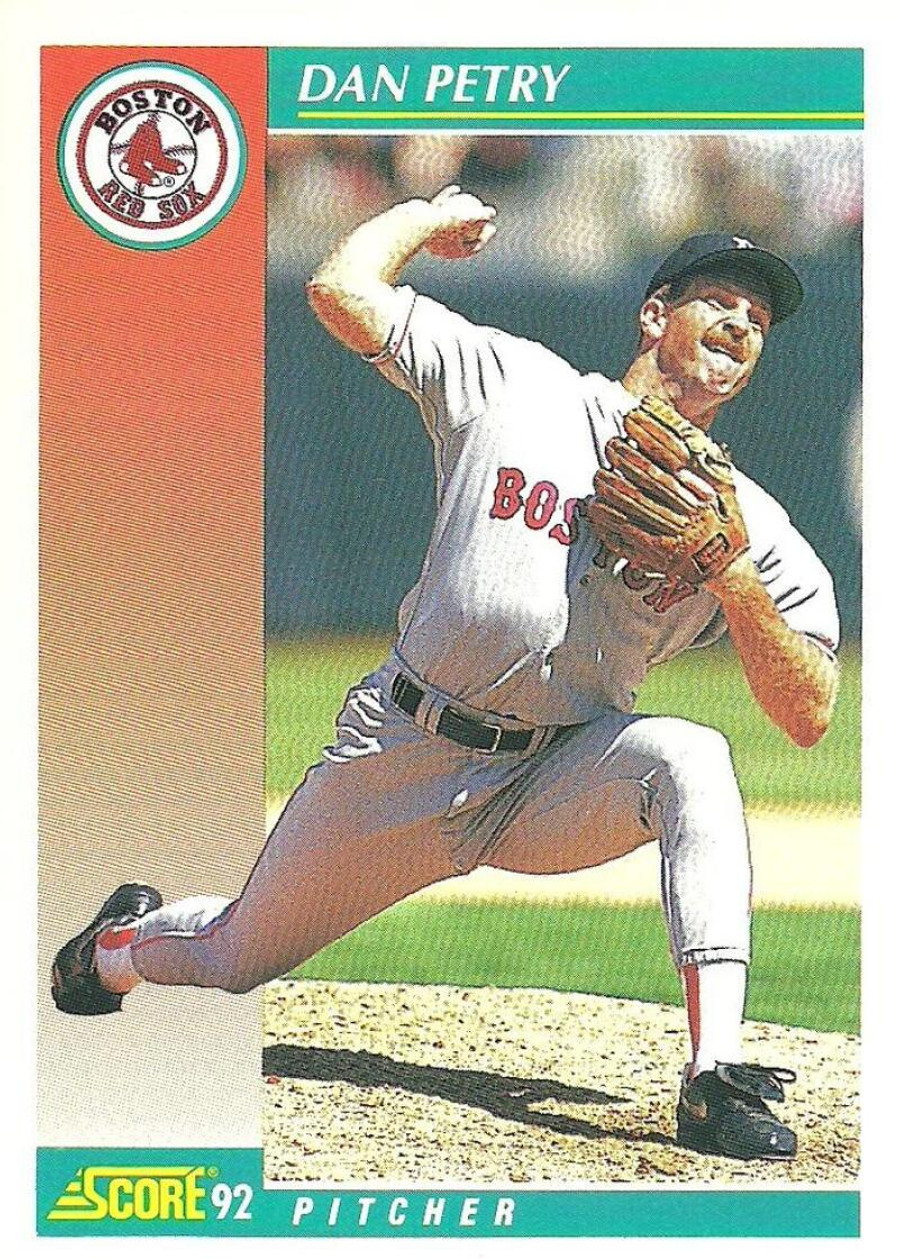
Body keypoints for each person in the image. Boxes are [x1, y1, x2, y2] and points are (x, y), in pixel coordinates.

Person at [52, 186, 839, 1162]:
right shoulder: (517, 383)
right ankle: (115, 948)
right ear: (651, 313)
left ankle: (712, 1071)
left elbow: (808, 709)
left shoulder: (747, 521)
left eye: (757, 319)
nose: (739, 322)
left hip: (551, 777)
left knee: (686, 754)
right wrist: (427, 215)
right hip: (403, 752)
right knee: (231, 953)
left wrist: (731, 577)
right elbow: (342, 290)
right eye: (717, 299)